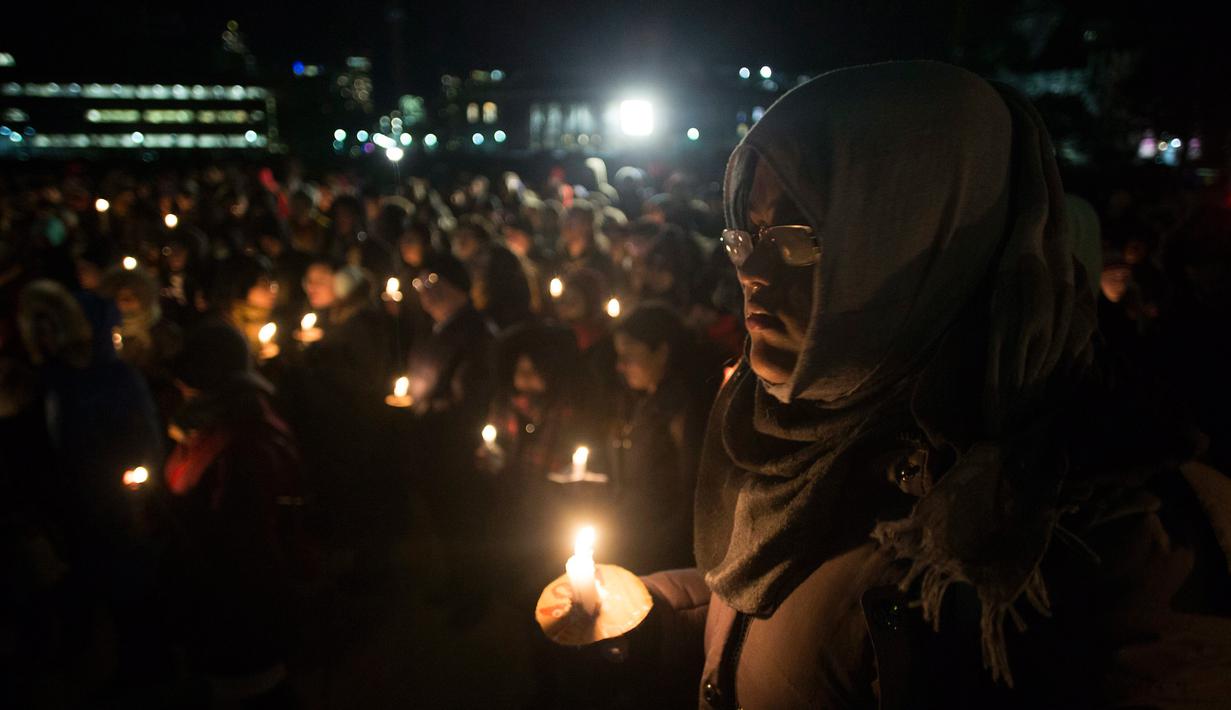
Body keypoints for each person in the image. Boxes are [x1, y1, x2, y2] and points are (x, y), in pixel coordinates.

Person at [619, 61, 1231, 709]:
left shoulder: (1105, 525)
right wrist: (651, 613)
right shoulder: (788, 422)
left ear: (930, 242)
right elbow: (791, 612)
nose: (753, 273)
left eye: (800, 237)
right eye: (744, 235)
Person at [160, 321, 303, 705]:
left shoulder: (244, 443)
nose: (180, 388)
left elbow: (237, 541)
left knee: (253, 694)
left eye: (188, 380)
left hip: (239, 608)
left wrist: (164, 515)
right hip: (217, 596)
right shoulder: (211, 424)